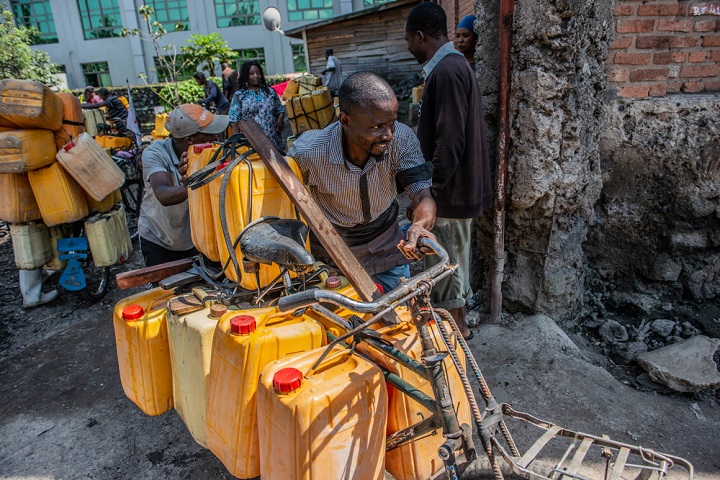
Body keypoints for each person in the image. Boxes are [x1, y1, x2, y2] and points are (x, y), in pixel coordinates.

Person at [288, 72, 436, 293]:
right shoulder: (309, 154)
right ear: (345, 121)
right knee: (345, 322)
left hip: (386, 244)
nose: (388, 135)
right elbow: (286, 206)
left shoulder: (402, 139)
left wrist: (419, 225)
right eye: (376, 127)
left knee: (400, 314)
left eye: (392, 124)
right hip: (333, 253)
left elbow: (423, 195)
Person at [405, 3, 492, 340]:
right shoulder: (454, 67)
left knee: (447, 261)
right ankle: (457, 324)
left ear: (421, 36)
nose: (409, 48)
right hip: (454, 187)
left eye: (409, 40)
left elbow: (451, 138)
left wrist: (430, 190)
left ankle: (457, 329)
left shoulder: (447, 71)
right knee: (453, 258)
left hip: (450, 190)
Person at [138, 104, 229, 267]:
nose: (216, 137)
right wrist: (194, 182)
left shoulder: (214, 152)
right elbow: (163, 194)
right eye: (209, 133)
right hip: (161, 240)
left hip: (199, 238)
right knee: (167, 291)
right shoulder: (155, 153)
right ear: (189, 140)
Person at [229, 61, 285, 152]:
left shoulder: (270, 92)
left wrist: (280, 118)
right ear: (246, 76)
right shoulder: (240, 95)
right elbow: (234, 119)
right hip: (251, 141)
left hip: (272, 139)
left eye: (258, 73)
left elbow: (280, 109)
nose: (256, 76)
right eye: (251, 73)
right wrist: (236, 141)